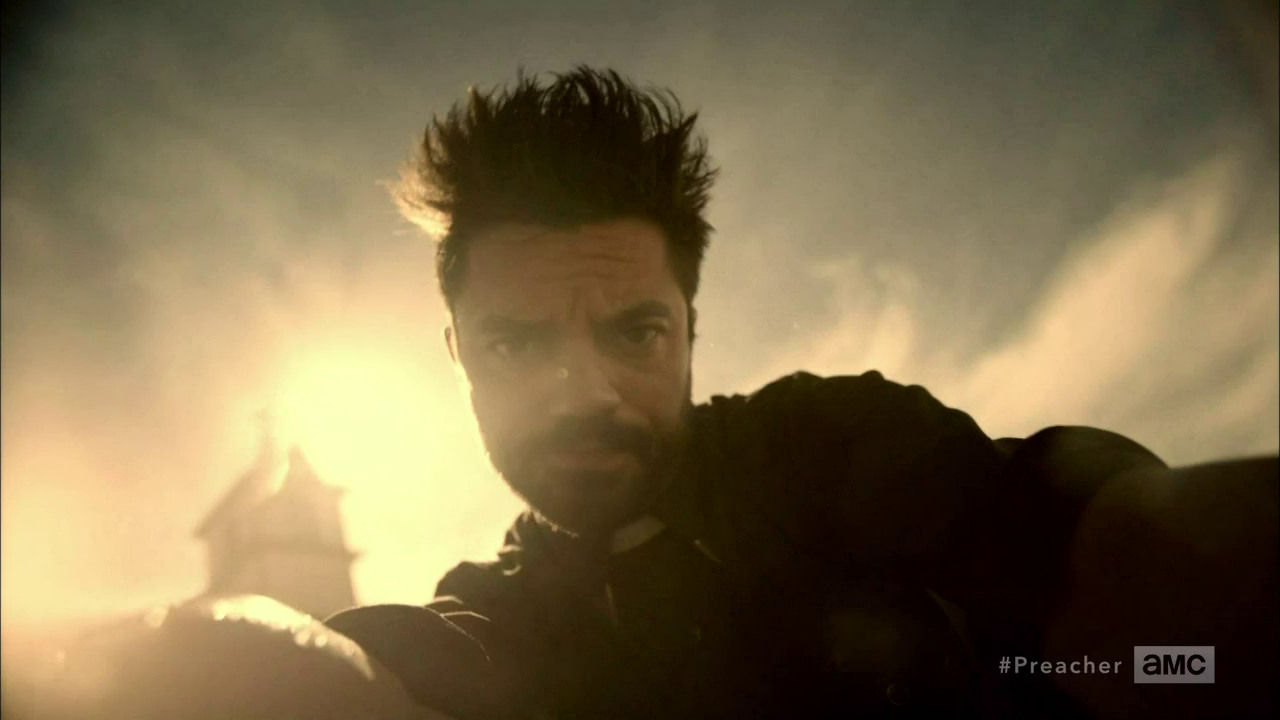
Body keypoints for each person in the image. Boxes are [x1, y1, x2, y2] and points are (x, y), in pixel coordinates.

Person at [324, 67, 1278, 720]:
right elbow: (383, 677)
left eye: (636, 332)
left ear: (690, 329)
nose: (585, 393)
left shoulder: (825, 445)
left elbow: (1095, 543)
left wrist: (1185, 607)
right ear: (457, 353)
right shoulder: (488, 612)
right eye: (514, 342)